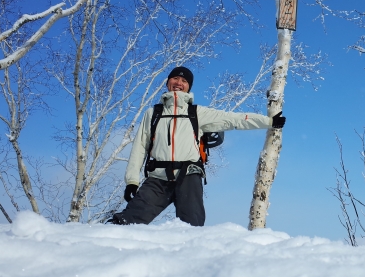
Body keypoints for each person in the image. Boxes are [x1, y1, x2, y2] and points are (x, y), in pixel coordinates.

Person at [110, 66, 285, 226]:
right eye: (175, 79)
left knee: (192, 227)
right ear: (168, 82)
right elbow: (140, 147)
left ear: (189, 87)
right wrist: (132, 181)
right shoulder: (153, 113)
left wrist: (269, 121)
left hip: (188, 176)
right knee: (127, 221)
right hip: (158, 177)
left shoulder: (197, 113)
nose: (179, 83)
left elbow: (234, 119)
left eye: (184, 81)